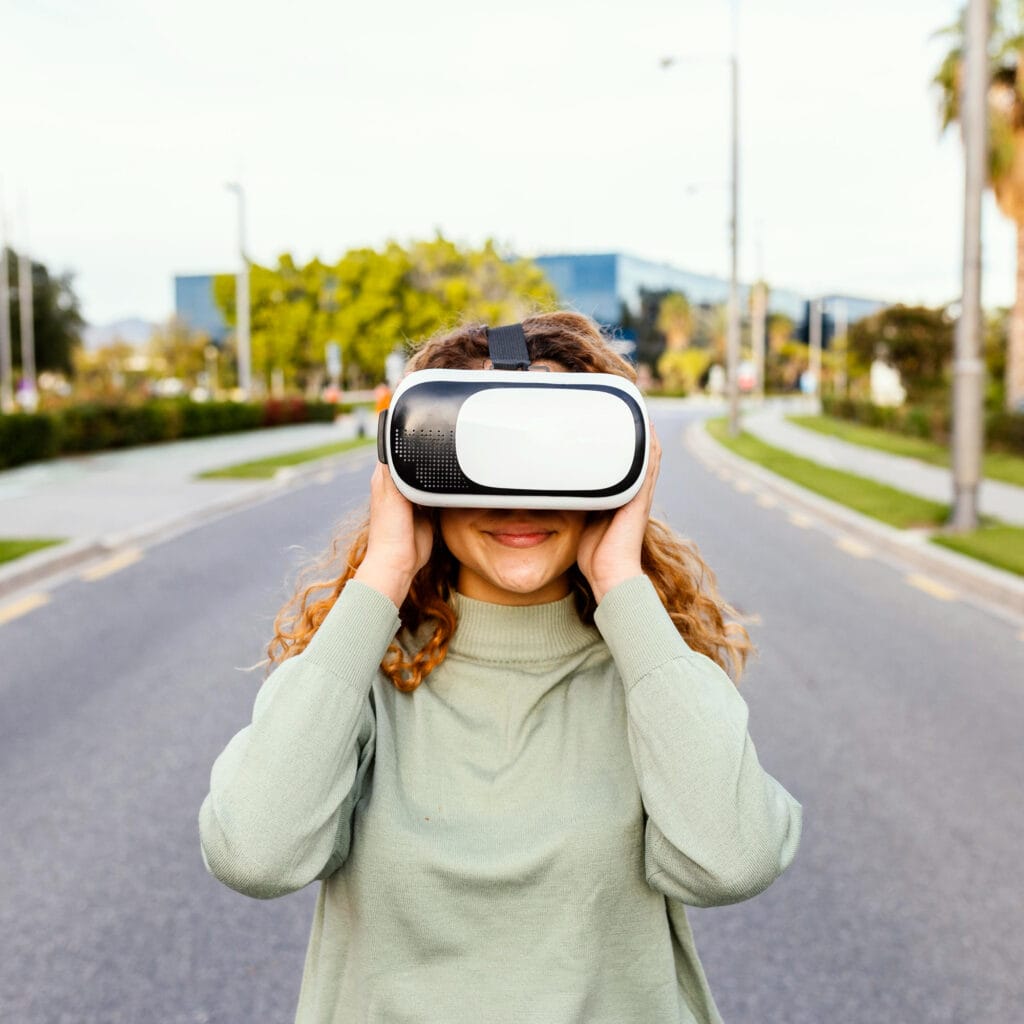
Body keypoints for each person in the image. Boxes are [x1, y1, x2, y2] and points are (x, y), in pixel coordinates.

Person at [199, 311, 802, 1024]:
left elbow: (733, 860)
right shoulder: (360, 672)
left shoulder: (649, 673)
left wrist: (621, 582)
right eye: (482, 457)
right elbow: (255, 853)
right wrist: (384, 575)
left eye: (555, 458)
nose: (519, 499)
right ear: (419, 470)